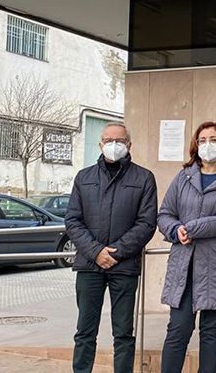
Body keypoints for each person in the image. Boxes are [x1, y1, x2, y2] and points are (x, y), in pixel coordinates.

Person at [157, 121, 216, 373]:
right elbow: (165, 213)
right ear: (195, 145)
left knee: (211, 331)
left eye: (213, 139)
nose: (207, 144)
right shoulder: (183, 177)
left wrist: (200, 227)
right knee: (178, 329)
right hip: (184, 265)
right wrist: (175, 230)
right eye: (202, 140)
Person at [65, 122, 158, 373]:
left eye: (119, 141)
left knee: (124, 333)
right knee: (85, 331)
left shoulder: (144, 178)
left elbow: (147, 223)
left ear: (128, 144)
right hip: (88, 265)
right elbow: (73, 220)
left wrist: (115, 252)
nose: (113, 145)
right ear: (100, 144)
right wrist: (96, 252)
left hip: (124, 266)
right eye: (108, 140)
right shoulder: (84, 177)